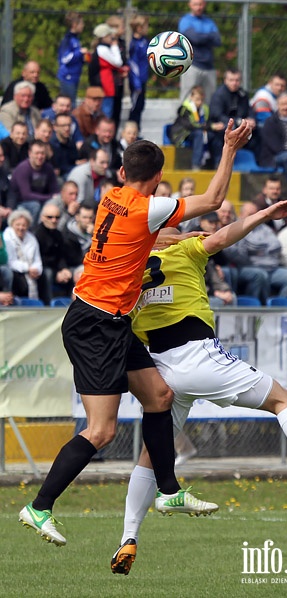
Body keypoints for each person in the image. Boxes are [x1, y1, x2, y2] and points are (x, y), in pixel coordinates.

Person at [18, 117, 253, 547]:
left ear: (123, 173)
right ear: (158, 179)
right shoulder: (150, 209)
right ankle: (39, 506)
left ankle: (168, 492)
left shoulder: (112, 198)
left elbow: (142, 237)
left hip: (105, 319)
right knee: (101, 431)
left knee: (160, 396)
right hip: (95, 326)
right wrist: (230, 148)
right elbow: (215, 198)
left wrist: (169, 239)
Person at [110, 198, 287, 575]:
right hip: (197, 354)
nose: (180, 227)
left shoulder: (130, 269)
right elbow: (224, 237)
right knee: (281, 399)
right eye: (173, 225)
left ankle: (128, 538)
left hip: (159, 368)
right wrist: (263, 214)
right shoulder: (186, 249)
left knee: (152, 454)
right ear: (165, 234)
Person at [223, 201, 287, 305]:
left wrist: (257, 249)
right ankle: (255, 308)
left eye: (254, 214)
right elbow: (244, 252)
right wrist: (263, 248)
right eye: (249, 214)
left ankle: (281, 309)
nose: (252, 217)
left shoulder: (264, 228)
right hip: (252, 266)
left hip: (272, 268)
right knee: (260, 275)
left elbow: (276, 245)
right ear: (241, 215)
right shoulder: (238, 228)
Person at [209, 68, 257, 167]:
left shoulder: (242, 94)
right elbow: (217, 115)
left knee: (259, 132)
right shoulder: (219, 95)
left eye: (237, 80)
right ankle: (219, 165)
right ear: (225, 80)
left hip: (240, 126)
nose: (234, 83)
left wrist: (252, 119)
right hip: (222, 128)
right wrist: (238, 122)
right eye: (231, 80)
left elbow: (249, 110)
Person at [170, 85, 223, 170]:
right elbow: (190, 125)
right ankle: (196, 165)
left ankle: (218, 163)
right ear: (191, 97)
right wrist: (211, 126)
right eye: (197, 99)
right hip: (183, 133)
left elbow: (207, 122)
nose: (199, 102)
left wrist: (214, 126)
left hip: (199, 131)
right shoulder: (184, 108)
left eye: (201, 100)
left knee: (214, 136)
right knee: (199, 135)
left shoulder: (204, 108)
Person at [178, 0, 221, 104]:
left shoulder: (209, 22)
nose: (198, 7)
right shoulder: (185, 21)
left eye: (201, 4)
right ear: (190, 5)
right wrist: (208, 36)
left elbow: (217, 40)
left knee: (210, 99)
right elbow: (195, 38)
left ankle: (207, 120)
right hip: (192, 65)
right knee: (187, 96)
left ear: (204, 4)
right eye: (195, 4)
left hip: (209, 66)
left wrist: (200, 37)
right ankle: (183, 119)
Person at [9, 140, 59, 225]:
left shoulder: (48, 168)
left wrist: (54, 198)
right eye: (37, 153)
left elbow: (55, 190)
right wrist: (50, 197)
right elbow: (26, 195)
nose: (40, 156)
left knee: (55, 203)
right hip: (20, 203)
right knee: (35, 205)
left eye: (42, 153)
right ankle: (33, 232)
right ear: (30, 153)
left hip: (41, 200)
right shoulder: (23, 168)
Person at [35, 203, 73, 304]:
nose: (54, 220)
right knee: (48, 274)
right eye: (50, 217)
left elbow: (61, 255)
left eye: (57, 217)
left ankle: (71, 305)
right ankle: (48, 304)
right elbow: (39, 258)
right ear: (42, 217)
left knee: (71, 274)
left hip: (55, 267)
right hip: (42, 267)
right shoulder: (36, 234)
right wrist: (57, 272)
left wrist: (64, 269)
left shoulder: (58, 234)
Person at [3, 209, 43, 300]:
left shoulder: (32, 238)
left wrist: (36, 270)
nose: (21, 228)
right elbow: (10, 261)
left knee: (44, 276)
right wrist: (27, 268)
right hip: (16, 271)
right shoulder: (7, 237)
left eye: (24, 225)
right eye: (18, 225)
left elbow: (37, 260)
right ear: (12, 224)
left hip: (32, 272)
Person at [89, 24, 124, 119]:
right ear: (103, 37)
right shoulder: (103, 50)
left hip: (107, 86)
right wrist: (115, 47)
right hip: (105, 87)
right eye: (109, 36)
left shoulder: (102, 49)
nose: (112, 38)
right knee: (106, 114)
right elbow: (118, 62)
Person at [57, 11, 87, 108]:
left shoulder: (76, 39)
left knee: (72, 103)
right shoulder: (68, 39)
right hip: (67, 77)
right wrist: (79, 53)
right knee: (69, 104)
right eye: (81, 23)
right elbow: (64, 59)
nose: (83, 26)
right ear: (74, 25)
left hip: (75, 76)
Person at [62, 203, 95, 283]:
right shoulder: (68, 233)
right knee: (82, 275)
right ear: (77, 217)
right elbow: (70, 258)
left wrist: (95, 236)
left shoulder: (96, 233)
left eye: (90, 218)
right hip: (73, 267)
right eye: (84, 217)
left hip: (91, 267)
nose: (88, 221)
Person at [128, 14, 150, 132]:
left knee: (140, 106)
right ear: (139, 28)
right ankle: (132, 131)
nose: (148, 28)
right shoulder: (134, 44)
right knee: (135, 108)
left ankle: (137, 131)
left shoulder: (144, 41)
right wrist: (136, 83)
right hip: (137, 82)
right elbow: (133, 64)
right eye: (146, 26)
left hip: (143, 79)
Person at [106, 15, 128, 132]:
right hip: (110, 85)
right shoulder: (108, 44)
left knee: (117, 114)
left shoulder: (122, 43)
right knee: (109, 115)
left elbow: (123, 60)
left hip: (119, 84)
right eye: (121, 27)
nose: (123, 29)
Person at [50, 114, 79, 179]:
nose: (67, 128)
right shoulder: (51, 145)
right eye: (63, 126)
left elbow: (74, 161)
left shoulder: (71, 143)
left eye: (69, 125)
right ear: (55, 127)